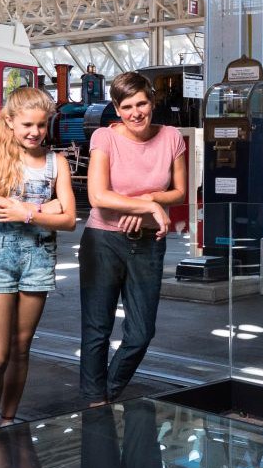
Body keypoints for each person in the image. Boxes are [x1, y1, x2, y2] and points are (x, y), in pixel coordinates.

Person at [80, 72, 188, 405]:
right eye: (126, 107)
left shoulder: (171, 137)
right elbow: (98, 196)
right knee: (97, 329)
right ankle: (95, 402)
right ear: (116, 108)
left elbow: (180, 191)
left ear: (152, 102)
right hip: (103, 240)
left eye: (141, 104)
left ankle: (108, 392)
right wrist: (148, 206)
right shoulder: (104, 138)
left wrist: (148, 201)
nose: (135, 113)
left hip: (148, 242)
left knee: (141, 333)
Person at [0, 87, 76, 429]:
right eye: (28, 125)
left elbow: (70, 220)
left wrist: (25, 212)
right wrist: (45, 208)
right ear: (11, 122)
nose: (35, 132)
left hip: (39, 257)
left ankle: (8, 420)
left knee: (20, 349)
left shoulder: (57, 162)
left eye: (42, 125)